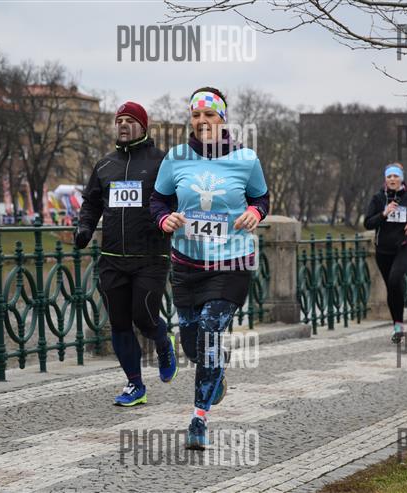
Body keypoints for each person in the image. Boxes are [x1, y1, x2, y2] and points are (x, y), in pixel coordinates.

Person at [150, 87, 269, 449]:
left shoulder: (245, 159)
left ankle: (198, 420)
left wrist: (255, 212)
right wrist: (165, 219)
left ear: (222, 119)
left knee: (209, 331)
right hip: (187, 264)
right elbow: (158, 200)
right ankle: (215, 370)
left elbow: (261, 197)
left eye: (209, 115)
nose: (202, 121)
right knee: (193, 344)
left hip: (231, 262)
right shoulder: (176, 158)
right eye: (196, 115)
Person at [75, 101, 177, 406]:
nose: (123, 125)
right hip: (112, 258)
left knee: (144, 317)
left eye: (130, 120)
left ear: (143, 126)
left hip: (150, 256)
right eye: (119, 120)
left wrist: (169, 220)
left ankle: (163, 341)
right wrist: (84, 228)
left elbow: (176, 199)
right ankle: (135, 385)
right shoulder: (105, 165)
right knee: (119, 323)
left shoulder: (161, 162)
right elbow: (91, 203)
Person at [363, 163, 407, 344]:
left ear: (401, 178)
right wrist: (384, 214)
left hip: (405, 246)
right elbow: (368, 223)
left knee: (394, 280)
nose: (392, 179)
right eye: (389, 176)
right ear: (385, 179)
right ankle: (398, 326)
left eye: (396, 176)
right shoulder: (378, 198)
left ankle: (398, 324)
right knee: (392, 287)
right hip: (383, 250)